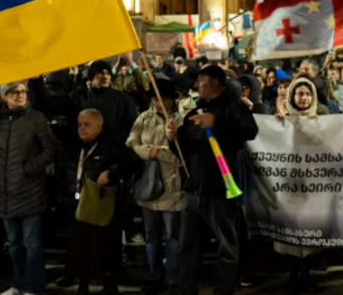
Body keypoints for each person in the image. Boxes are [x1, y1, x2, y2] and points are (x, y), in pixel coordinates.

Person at [167, 65, 259, 295]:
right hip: (193, 190)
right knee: (187, 246)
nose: (196, 84)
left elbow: (250, 130)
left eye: (201, 79)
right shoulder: (195, 112)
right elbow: (184, 151)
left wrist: (216, 121)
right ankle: (185, 289)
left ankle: (224, 288)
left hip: (220, 190)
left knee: (226, 245)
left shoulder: (234, 108)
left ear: (215, 82)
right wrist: (172, 138)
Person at [0, 82, 55, 295]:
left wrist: (27, 170)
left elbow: (50, 149)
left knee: (32, 243)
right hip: (4, 191)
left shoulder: (36, 118)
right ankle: (18, 285)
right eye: (15, 92)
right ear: (5, 96)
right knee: (13, 242)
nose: (21, 95)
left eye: (23, 91)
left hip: (30, 190)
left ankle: (33, 286)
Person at [126, 80, 185, 294]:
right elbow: (132, 142)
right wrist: (149, 152)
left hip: (172, 186)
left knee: (171, 236)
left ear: (172, 100)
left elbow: (183, 155)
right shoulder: (144, 118)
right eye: (155, 99)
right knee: (151, 235)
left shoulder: (181, 119)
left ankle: (173, 278)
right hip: (149, 184)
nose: (158, 103)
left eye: (163, 99)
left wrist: (160, 152)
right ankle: (154, 274)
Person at [66, 109, 134, 295]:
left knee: (106, 245)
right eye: (79, 125)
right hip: (80, 204)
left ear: (99, 126)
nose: (82, 128)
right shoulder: (76, 147)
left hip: (103, 205)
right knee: (81, 246)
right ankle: (83, 283)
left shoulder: (112, 146)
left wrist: (111, 173)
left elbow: (131, 163)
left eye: (87, 125)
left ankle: (109, 283)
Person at [273, 77, 329, 291]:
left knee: (308, 230)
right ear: (292, 96)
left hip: (312, 187)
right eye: (300, 93)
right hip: (288, 186)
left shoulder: (322, 119)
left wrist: (318, 126)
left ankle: (306, 274)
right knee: (290, 231)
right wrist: (278, 123)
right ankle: (293, 274)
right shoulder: (280, 119)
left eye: (308, 94)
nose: (304, 98)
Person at [67, 60, 138, 143]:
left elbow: (132, 126)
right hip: (85, 146)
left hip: (113, 147)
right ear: (91, 77)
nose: (105, 76)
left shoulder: (123, 98)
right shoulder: (79, 97)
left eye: (108, 73)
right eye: (100, 73)